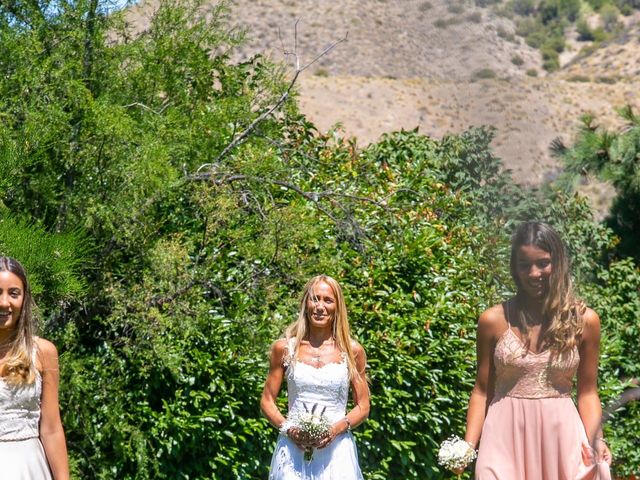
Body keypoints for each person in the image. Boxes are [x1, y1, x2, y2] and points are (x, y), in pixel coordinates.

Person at [457, 222, 612, 479]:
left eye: (543, 263)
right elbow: (482, 391)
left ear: (558, 263)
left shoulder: (585, 321)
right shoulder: (492, 320)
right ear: (514, 268)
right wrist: (468, 446)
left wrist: (597, 439)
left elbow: (587, 392)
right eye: (524, 265)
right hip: (503, 438)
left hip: (561, 437)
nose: (533, 273)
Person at [261, 275, 369, 480]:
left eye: (327, 300)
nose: (320, 306)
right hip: (293, 450)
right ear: (305, 304)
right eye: (314, 299)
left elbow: (363, 406)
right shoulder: (284, 348)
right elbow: (267, 401)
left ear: (337, 307)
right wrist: (289, 429)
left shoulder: (352, 351)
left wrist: (335, 430)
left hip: (337, 453)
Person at [0, 257, 69, 479]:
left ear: (24, 298)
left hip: (28, 468)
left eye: (13, 293)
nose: (4, 303)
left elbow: (51, 428)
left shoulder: (43, 353)